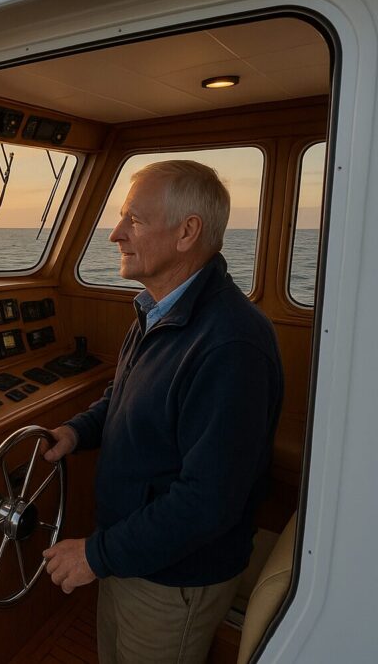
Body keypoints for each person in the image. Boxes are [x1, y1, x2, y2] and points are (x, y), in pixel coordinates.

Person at [40, 160, 284, 664]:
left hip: (175, 579)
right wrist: (77, 431)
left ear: (187, 232)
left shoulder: (231, 345)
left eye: (134, 220)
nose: (115, 235)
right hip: (132, 553)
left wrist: (95, 554)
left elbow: (207, 502)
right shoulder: (158, 309)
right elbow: (125, 396)